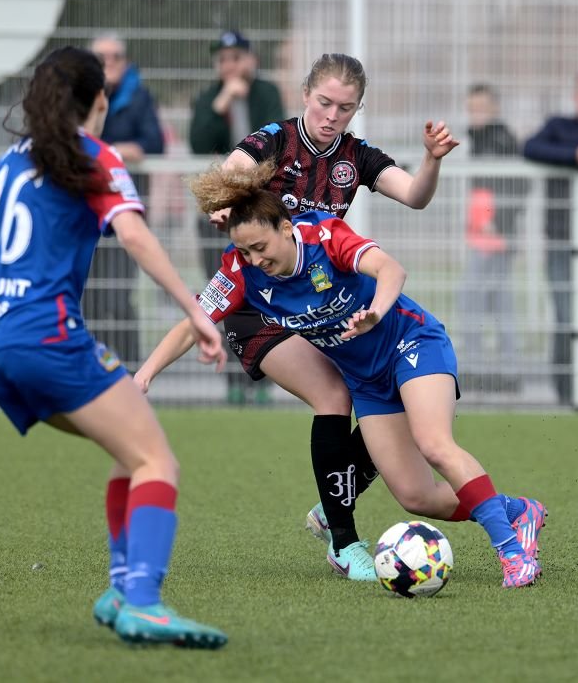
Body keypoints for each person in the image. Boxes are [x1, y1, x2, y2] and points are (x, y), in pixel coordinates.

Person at [137, 161, 548, 589]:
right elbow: (193, 322)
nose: (256, 259)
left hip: (411, 343)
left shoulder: (324, 235)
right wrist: (144, 375)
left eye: (261, 246)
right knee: (416, 497)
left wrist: (375, 314)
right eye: (245, 252)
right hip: (365, 380)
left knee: (435, 444)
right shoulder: (243, 272)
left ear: (285, 226)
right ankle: (518, 512)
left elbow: (392, 271)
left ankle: (513, 555)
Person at [0, 46, 227, 649]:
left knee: (131, 446)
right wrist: (194, 312)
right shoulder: (94, 157)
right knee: (158, 462)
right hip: (46, 342)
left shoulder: (9, 162)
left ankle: (122, 589)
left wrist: (4, 291)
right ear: (99, 102)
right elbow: (133, 235)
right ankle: (144, 601)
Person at [189, 53, 459, 581]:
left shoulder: (356, 157)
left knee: (381, 386)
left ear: (358, 109)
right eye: (324, 102)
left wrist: (432, 162)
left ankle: (341, 494)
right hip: (255, 304)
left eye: (346, 107)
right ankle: (343, 539)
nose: (332, 115)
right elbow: (232, 173)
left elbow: (414, 196)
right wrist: (226, 198)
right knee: (334, 396)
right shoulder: (275, 139)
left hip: (311, 297)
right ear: (305, 93)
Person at [189, 29, 286, 405]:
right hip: (218, 213)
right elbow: (199, 142)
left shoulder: (267, 93)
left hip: (260, 211)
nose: (230, 65)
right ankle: (232, 379)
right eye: (223, 59)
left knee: (265, 293)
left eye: (236, 57)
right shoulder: (209, 97)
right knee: (222, 293)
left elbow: (276, 142)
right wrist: (223, 103)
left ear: (251, 59)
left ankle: (263, 379)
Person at [84, 32, 166, 369]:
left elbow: (153, 143)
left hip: (124, 209)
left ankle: (130, 370)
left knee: (118, 296)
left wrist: (108, 152)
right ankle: (92, 366)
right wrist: (119, 151)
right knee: (88, 294)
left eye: (116, 56)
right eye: (102, 58)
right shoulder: (80, 95)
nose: (110, 63)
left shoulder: (138, 96)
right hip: (84, 210)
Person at [523, 71, 578, 406]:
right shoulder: (559, 127)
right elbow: (531, 147)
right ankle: (569, 393)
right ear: (577, 97)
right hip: (563, 241)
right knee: (568, 315)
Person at [458, 84, 528, 392]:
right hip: (483, 234)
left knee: (481, 301)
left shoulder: (501, 139)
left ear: (495, 108)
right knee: (490, 301)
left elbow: (519, 185)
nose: (475, 115)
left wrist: (498, 223)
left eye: (481, 108)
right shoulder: (481, 138)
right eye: (471, 109)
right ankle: (501, 368)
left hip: (494, 236)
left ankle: (494, 369)